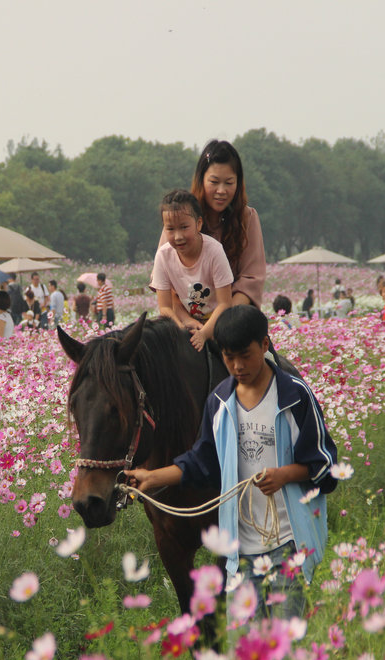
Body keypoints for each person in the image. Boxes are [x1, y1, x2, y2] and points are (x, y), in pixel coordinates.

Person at [124, 305, 338, 620]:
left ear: (265, 345)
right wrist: (152, 478)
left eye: (245, 355)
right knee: (249, 649)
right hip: (240, 549)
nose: (237, 366)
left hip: (289, 541)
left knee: (283, 648)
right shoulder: (220, 402)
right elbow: (201, 462)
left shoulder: (295, 397)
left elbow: (326, 468)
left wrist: (284, 475)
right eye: (228, 357)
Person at [159, 139, 266, 308]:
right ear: (201, 180)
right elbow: (165, 277)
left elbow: (250, 279)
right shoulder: (181, 216)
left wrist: (224, 320)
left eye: (229, 183)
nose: (221, 191)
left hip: (232, 314)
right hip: (186, 314)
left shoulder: (247, 218)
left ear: (238, 184)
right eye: (214, 182)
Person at [151, 189, 233, 352]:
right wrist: (182, 328)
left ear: (199, 224)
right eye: (170, 229)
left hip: (218, 322)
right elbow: (165, 307)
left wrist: (203, 334)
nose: (178, 236)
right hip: (185, 321)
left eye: (184, 227)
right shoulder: (163, 255)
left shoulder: (214, 251)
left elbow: (225, 304)